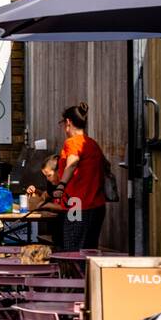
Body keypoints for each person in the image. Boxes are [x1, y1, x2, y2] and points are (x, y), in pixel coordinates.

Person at [55, 101, 108, 250]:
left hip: (76, 204)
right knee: (89, 249)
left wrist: (61, 185)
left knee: (72, 248)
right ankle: (87, 274)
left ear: (68, 122)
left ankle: (74, 274)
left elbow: (72, 163)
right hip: (97, 205)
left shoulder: (72, 142)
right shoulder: (92, 144)